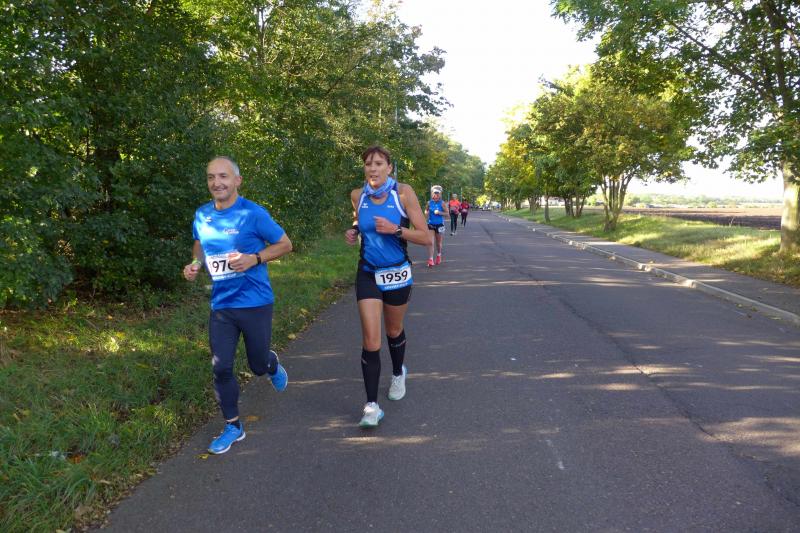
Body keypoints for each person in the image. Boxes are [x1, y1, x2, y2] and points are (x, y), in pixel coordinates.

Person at [183, 156, 293, 454]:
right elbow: (199, 243)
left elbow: (285, 244)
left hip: (255, 302)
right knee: (221, 367)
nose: (216, 182)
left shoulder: (253, 214)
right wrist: (195, 264)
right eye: (211, 177)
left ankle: (269, 363)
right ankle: (233, 426)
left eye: (223, 176)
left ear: (237, 181)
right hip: (222, 306)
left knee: (257, 366)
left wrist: (254, 259)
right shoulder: (202, 215)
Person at [343, 145, 430, 428]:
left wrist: (396, 230)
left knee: (393, 330)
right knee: (371, 339)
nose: (373, 168)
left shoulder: (403, 193)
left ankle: (397, 373)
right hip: (368, 272)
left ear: (389, 168)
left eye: (379, 163)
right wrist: (354, 230)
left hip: (397, 273)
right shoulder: (357, 195)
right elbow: (360, 220)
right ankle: (371, 406)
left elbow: (426, 237)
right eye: (368, 163)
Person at [424, 185, 446, 266]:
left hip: (440, 225)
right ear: (432, 194)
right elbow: (426, 211)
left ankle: (439, 255)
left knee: (438, 243)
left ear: (440, 195)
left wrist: (440, 212)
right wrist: (426, 213)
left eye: (437, 194)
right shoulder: (429, 203)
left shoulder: (442, 203)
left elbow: (447, 214)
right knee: (430, 242)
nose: (436, 195)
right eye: (434, 194)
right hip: (431, 224)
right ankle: (430, 259)